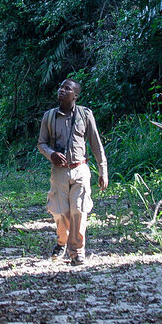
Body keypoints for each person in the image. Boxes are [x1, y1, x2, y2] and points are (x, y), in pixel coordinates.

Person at [37, 78, 108, 265]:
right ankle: (62, 241)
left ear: (75, 95)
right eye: (60, 87)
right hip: (59, 172)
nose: (61, 90)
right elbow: (41, 143)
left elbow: (95, 143)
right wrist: (51, 154)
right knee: (60, 212)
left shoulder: (85, 115)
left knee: (79, 210)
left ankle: (77, 251)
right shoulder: (49, 116)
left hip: (80, 170)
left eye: (67, 88)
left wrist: (103, 170)